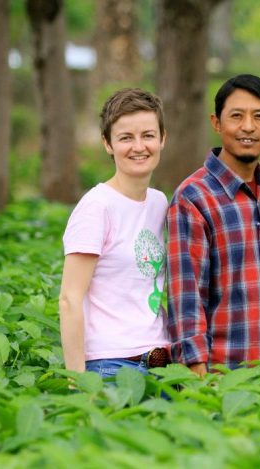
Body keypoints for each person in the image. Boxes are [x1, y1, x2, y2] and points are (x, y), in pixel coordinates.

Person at [167, 74, 260, 375]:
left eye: (259, 117)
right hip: (222, 379)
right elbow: (186, 298)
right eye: (236, 116)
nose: (248, 127)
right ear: (216, 123)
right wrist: (196, 378)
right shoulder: (193, 197)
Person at [59, 88, 171, 377]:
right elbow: (70, 298)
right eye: (125, 137)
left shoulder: (159, 202)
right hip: (111, 365)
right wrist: (78, 382)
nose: (139, 146)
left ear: (162, 139)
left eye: (148, 135)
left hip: (162, 362)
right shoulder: (97, 207)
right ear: (107, 144)